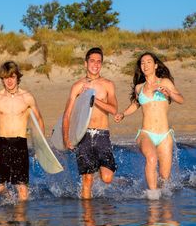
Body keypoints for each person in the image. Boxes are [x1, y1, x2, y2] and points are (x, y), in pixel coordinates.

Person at [114, 52, 184, 198]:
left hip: (164, 135)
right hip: (146, 133)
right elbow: (135, 104)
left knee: (165, 177)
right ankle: (153, 201)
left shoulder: (165, 82)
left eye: (148, 62)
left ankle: (162, 206)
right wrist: (123, 114)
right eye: (142, 63)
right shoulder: (139, 88)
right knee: (151, 158)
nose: (145, 65)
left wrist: (169, 93)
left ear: (155, 65)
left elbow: (181, 99)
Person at [0, 61, 44, 201]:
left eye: (12, 77)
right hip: (3, 144)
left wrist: (41, 146)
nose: (9, 81)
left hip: (20, 144)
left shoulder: (27, 97)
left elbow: (39, 120)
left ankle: (20, 218)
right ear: (2, 79)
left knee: (22, 188)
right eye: (6, 78)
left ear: (17, 77)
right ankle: (10, 201)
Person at [62, 47, 118, 199]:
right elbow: (67, 115)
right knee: (87, 179)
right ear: (85, 63)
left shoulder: (108, 84)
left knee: (107, 178)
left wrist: (93, 99)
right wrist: (66, 138)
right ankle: (88, 219)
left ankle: (99, 170)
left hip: (102, 134)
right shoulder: (77, 86)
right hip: (83, 135)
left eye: (99, 62)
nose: (96, 64)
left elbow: (113, 109)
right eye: (92, 61)